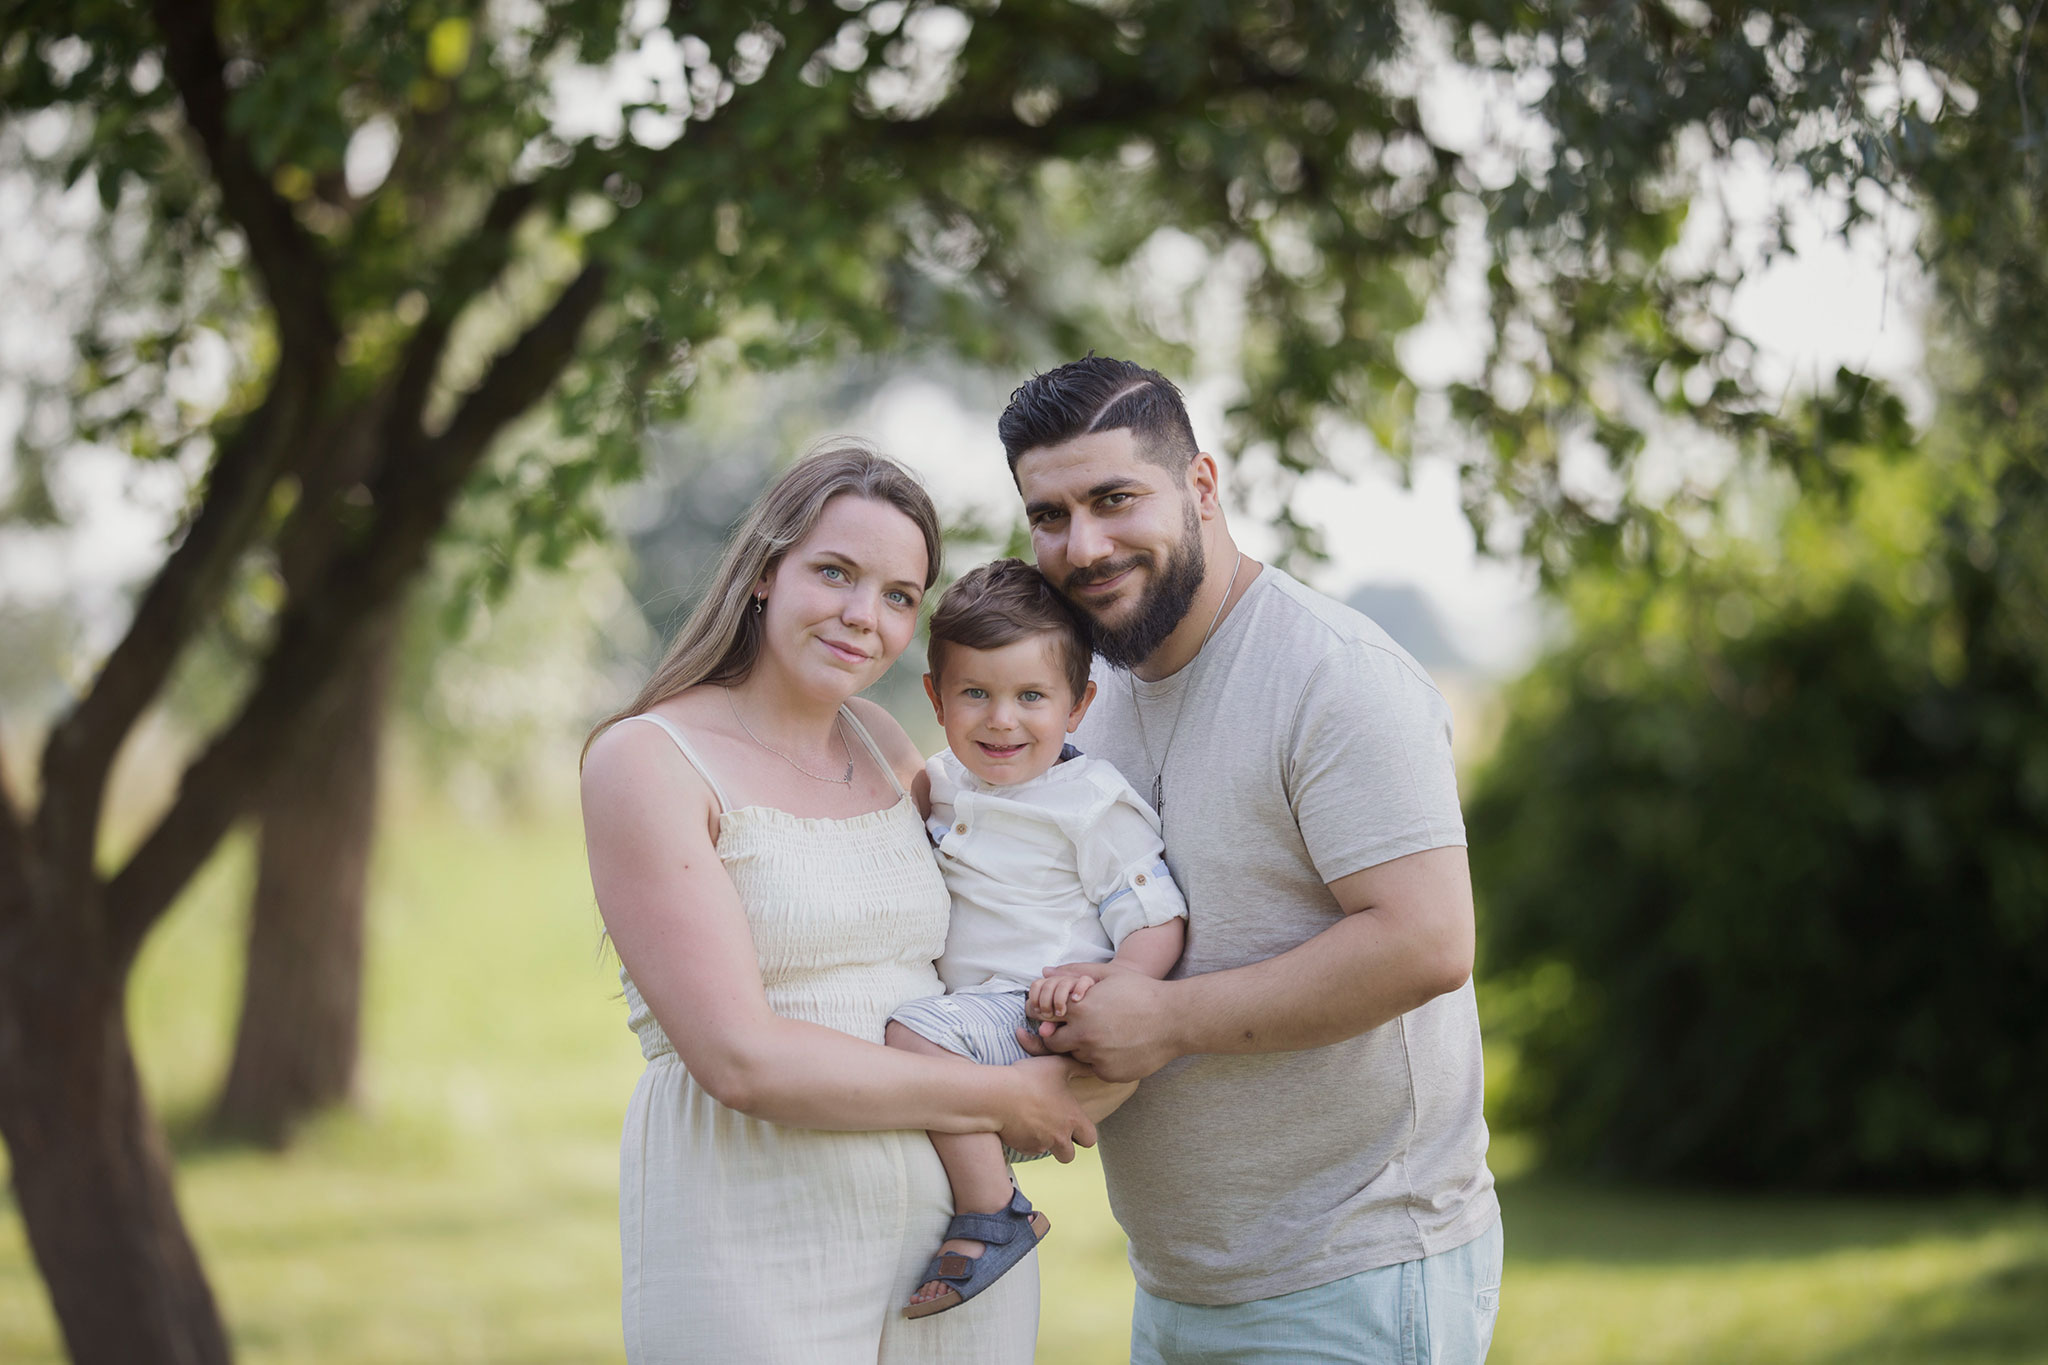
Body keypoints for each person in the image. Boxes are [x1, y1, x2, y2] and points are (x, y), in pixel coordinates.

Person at [997, 358, 1503, 1363]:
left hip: (1352, 1272)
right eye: (1048, 515)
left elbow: (1427, 941)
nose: (1083, 546)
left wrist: (1161, 1021)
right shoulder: (1088, 695)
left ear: (1199, 486)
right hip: (1183, 1282)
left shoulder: (1332, 677)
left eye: (1112, 499)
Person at [578, 444, 1101, 1365]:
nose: (866, 616)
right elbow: (741, 1058)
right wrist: (1002, 1095)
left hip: (959, 1242)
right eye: (835, 573)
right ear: (764, 573)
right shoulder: (647, 759)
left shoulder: (888, 742)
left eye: (900, 596)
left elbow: (1006, 915)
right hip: (753, 1220)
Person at [883, 558, 1189, 1318]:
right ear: (936, 695)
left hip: (1037, 1014)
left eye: (1031, 697)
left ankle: (996, 1210)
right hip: (975, 1011)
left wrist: (1111, 987)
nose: (1001, 720)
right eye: (975, 694)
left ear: (1079, 704)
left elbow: (1157, 918)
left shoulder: (1089, 800)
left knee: (904, 1038)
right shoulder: (943, 780)